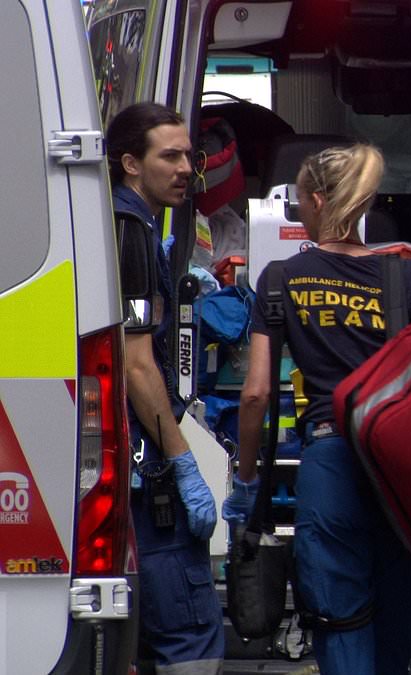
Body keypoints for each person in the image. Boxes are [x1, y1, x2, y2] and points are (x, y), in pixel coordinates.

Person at [223, 144, 411, 674]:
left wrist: (245, 484)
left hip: (332, 456)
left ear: (314, 199)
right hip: (402, 464)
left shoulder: (282, 277)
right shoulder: (404, 275)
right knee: (397, 611)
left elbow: (257, 394)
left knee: (338, 615)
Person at [106, 102, 224, 673]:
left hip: (139, 457)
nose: (186, 169)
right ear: (131, 163)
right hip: (150, 465)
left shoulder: (137, 226)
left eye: (189, 156)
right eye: (169, 156)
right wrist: (182, 463)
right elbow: (135, 365)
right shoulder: (128, 229)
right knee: (189, 631)